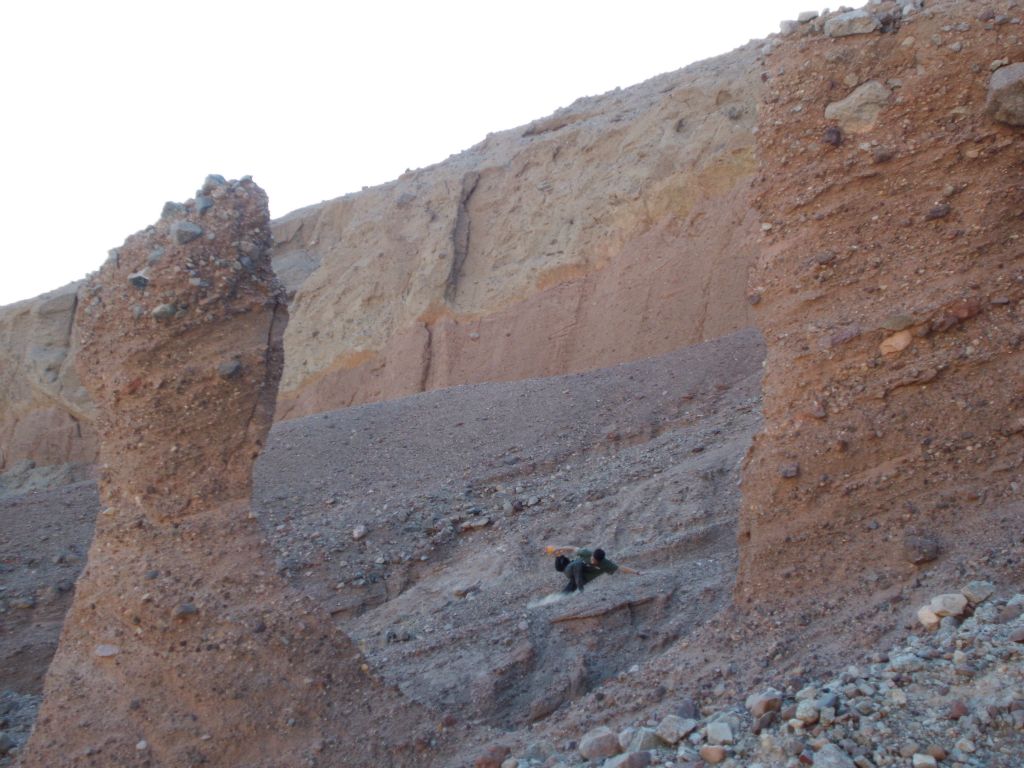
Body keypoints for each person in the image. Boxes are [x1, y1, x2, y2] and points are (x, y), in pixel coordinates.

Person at [547, 545, 640, 593]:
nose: (591, 560)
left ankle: (552, 601)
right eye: (591, 558)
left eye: (593, 560)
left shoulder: (605, 564)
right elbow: (573, 548)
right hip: (571, 570)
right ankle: (559, 556)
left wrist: (637, 572)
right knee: (577, 563)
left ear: (599, 561)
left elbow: (620, 568)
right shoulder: (587, 553)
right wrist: (559, 547)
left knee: (566, 593)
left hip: (580, 578)